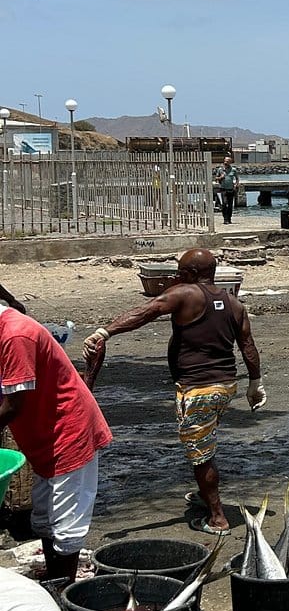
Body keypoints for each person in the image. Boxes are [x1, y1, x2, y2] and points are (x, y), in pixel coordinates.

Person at [82, 248, 266, 534]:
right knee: (204, 443)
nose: (177, 277)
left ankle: (217, 518)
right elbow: (248, 347)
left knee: (200, 453)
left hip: (198, 389)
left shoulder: (186, 294)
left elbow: (145, 312)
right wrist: (255, 383)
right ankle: (205, 497)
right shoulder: (233, 303)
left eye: (180, 272)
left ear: (192, 274)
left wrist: (105, 332)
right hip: (224, 386)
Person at [0, 297, 112, 580]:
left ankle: (65, 592)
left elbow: (14, 404)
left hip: (67, 432)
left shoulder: (15, 334)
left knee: (66, 523)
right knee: (45, 520)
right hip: (42, 436)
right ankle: (55, 579)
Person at [214, 156, 240, 225]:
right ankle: (225, 219)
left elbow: (237, 178)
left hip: (231, 189)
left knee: (230, 205)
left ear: (230, 162)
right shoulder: (220, 169)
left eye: (227, 161)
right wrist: (220, 177)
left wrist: (236, 184)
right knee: (224, 203)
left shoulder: (233, 170)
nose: (226, 162)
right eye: (225, 161)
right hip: (223, 189)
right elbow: (216, 179)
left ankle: (229, 218)